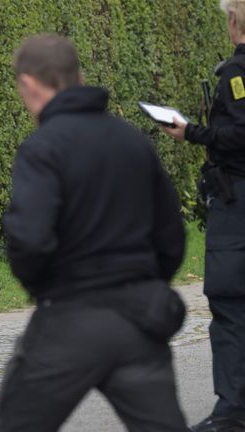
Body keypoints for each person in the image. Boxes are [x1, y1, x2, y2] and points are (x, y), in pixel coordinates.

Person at [0, 34, 188, 431]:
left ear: (29, 85)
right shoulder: (132, 141)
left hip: (70, 319)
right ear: (79, 77)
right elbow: (171, 234)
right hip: (141, 319)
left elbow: (30, 238)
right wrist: (144, 283)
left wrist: (45, 289)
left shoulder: (43, 147)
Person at [161, 1, 245, 430]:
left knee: (230, 303)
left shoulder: (236, 74)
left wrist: (190, 132)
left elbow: (240, 134)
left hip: (236, 203)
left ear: (234, 21)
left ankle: (232, 411)